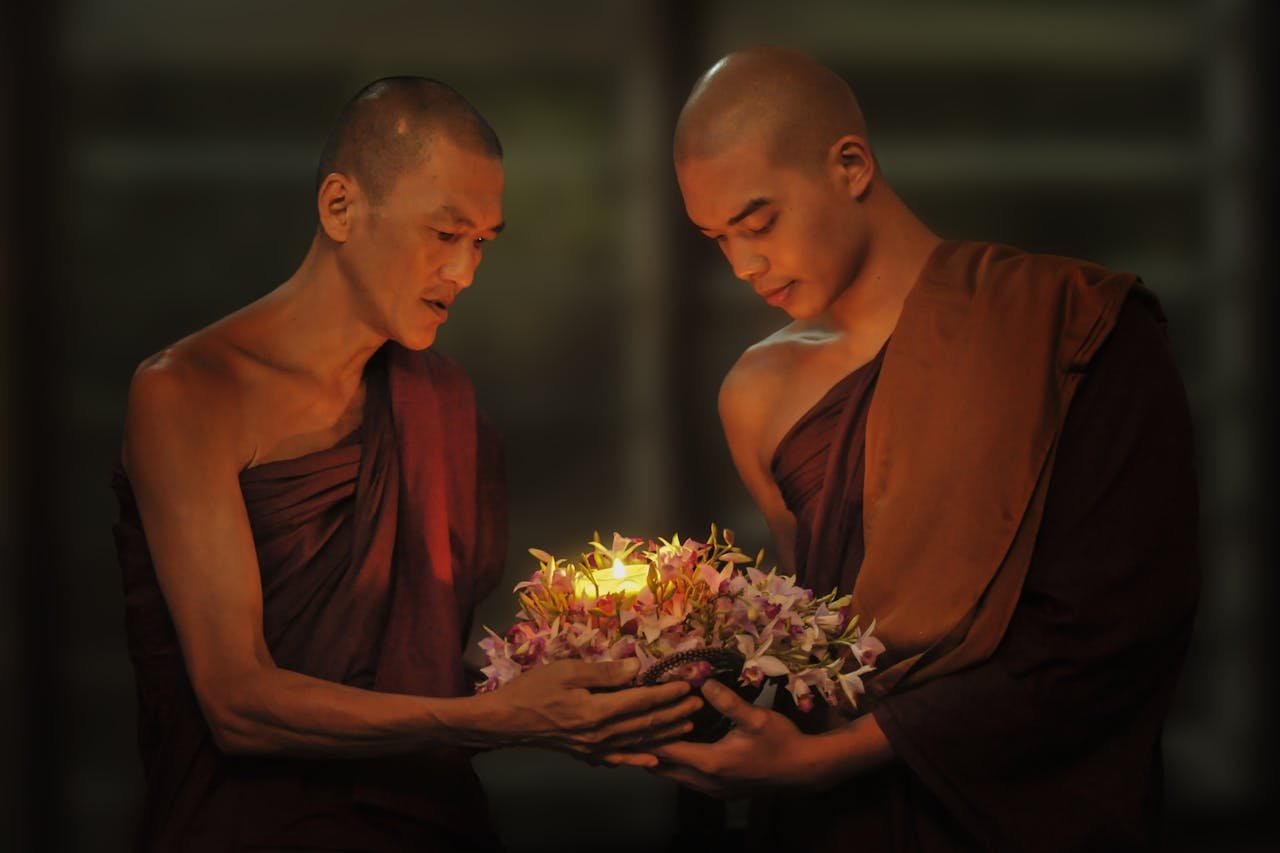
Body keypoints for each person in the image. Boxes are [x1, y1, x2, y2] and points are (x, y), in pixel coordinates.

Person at [112, 77, 700, 852]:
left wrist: (599, 674)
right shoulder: (188, 393)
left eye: (482, 243)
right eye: (444, 234)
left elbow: (419, 661)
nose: (464, 274)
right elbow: (237, 702)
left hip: (428, 821)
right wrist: (495, 719)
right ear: (340, 208)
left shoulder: (442, 404)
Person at [648, 47, 1199, 851]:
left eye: (759, 222)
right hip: (828, 823)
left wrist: (838, 757)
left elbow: (1115, 632)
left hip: (1011, 805)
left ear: (851, 165)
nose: (743, 264)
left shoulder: (1070, 328)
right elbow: (813, 637)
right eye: (716, 237)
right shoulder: (757, 390)